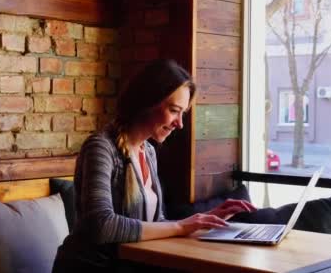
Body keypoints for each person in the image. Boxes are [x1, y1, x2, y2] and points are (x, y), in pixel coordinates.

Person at [52, 59, 257, 272]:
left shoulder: (148, 151)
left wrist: (203, 222)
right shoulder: (101, 148)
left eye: (182, 113)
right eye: (174, 110)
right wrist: (180, 226)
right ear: (147, 101)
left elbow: (155, 223)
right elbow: (101, 225)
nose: (180, 124)